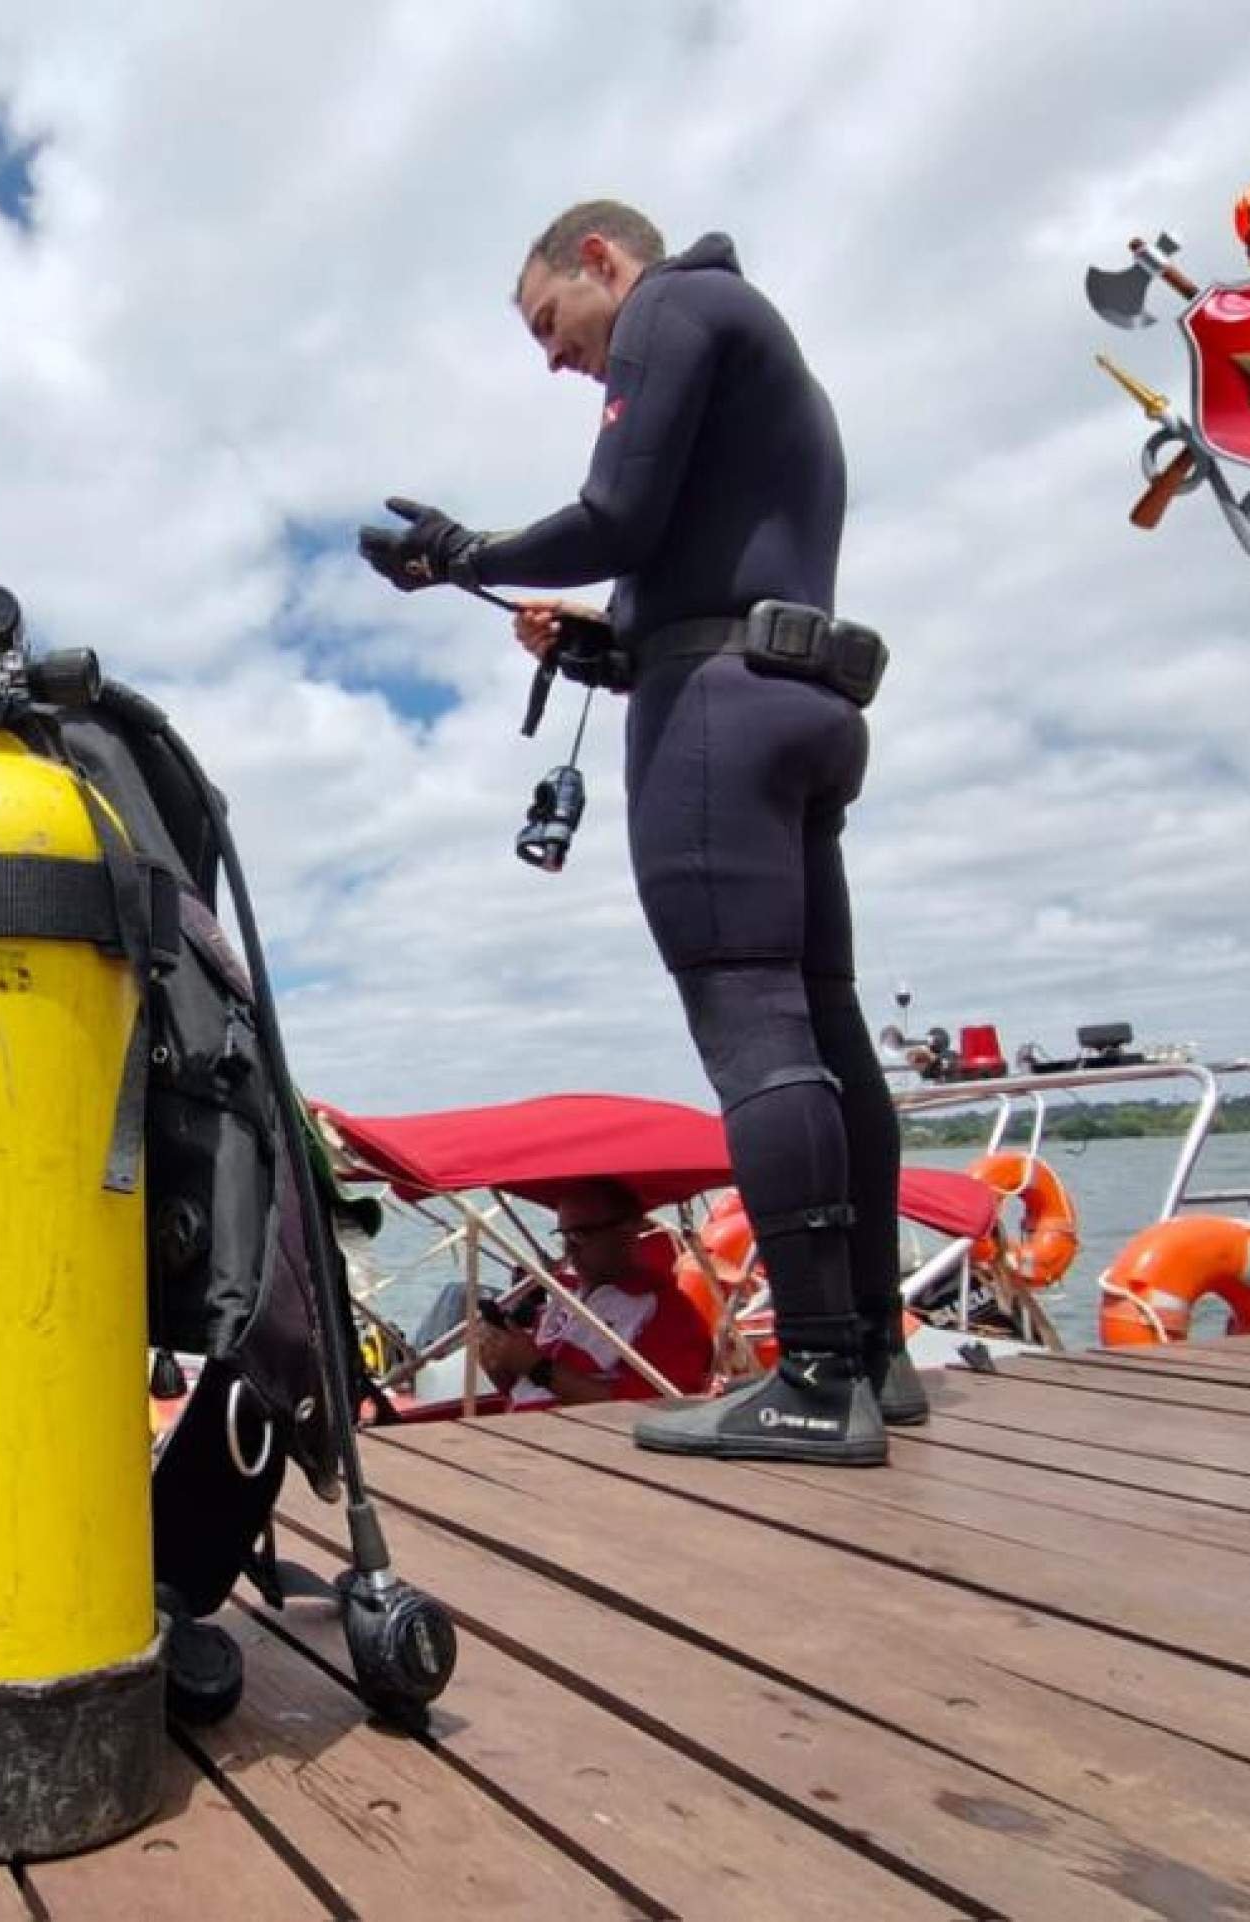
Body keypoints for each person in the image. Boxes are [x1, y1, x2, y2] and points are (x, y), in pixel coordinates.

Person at [357, 198, 915, 1465]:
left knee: (755, 1031)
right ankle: (874, 1352)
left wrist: (461, 553)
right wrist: (611, 650)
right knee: (825, 1026)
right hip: (799, 698)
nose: (558, 360)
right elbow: (700, 561)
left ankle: (817, 1377)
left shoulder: (674, 303)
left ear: (602, 260)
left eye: (554, 324)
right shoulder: (756, 345)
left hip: (721, 720)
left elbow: (612, 518)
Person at [468, 1185, 712, 1406]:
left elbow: (648, 1407)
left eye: (581, 1234)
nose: (569, 1248)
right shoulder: (564, 1296)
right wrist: (500, 1362)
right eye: (564, 1235)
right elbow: (526, 1390)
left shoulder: (666, 1312)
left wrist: (536, 1367)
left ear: (626, 1230)